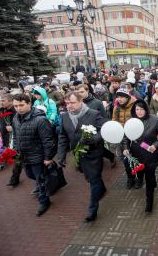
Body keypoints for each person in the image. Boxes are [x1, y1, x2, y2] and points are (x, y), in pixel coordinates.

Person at [55, 92, 107, 222]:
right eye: (67, 103)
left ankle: (92, 210)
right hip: (78, 154)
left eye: (72, 103)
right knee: (91, 178)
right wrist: (61, 156)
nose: (69, 106)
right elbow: (62, 137)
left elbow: (104, 130)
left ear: (81, 101)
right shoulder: (65, 117)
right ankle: (102, 187)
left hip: (94, 154)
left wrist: (93, 139)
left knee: (93, 180)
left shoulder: (93, 114)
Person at [12, 94, 56, 216]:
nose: (18, 108)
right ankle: (44, 184)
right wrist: (15, 150)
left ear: (29, 104)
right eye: (15, 106)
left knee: (39, 179)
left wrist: (48, 157)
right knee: (30, 175)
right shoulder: (15, 118)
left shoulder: (40, 119)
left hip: (38, 156)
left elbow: (48, 140)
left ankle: (44, 201)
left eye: (21, 105)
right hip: (24, 156)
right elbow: (15, 136)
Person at [121, 100, 158, 212]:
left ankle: (149, 203)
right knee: (141, 172)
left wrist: (155, 145)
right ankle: (141, 180)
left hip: (151, 154)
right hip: (136, 153)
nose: (139, 112)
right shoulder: (131, 121)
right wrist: (126, 148)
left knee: (149, 177)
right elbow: (125, 137)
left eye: (142, 109)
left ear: (146, 109)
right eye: (137, 109)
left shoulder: (154, 120)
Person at [76, 84, 116, 168]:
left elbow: (104, 117)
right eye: (78, 92)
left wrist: (103, 130)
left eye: (82, 92)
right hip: (82, 130)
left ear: (87, 91)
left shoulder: (97, 102)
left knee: (99, 149)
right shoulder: (77, 103)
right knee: (85, 148)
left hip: (96, 131)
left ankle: (111, 156)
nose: (80, 94)